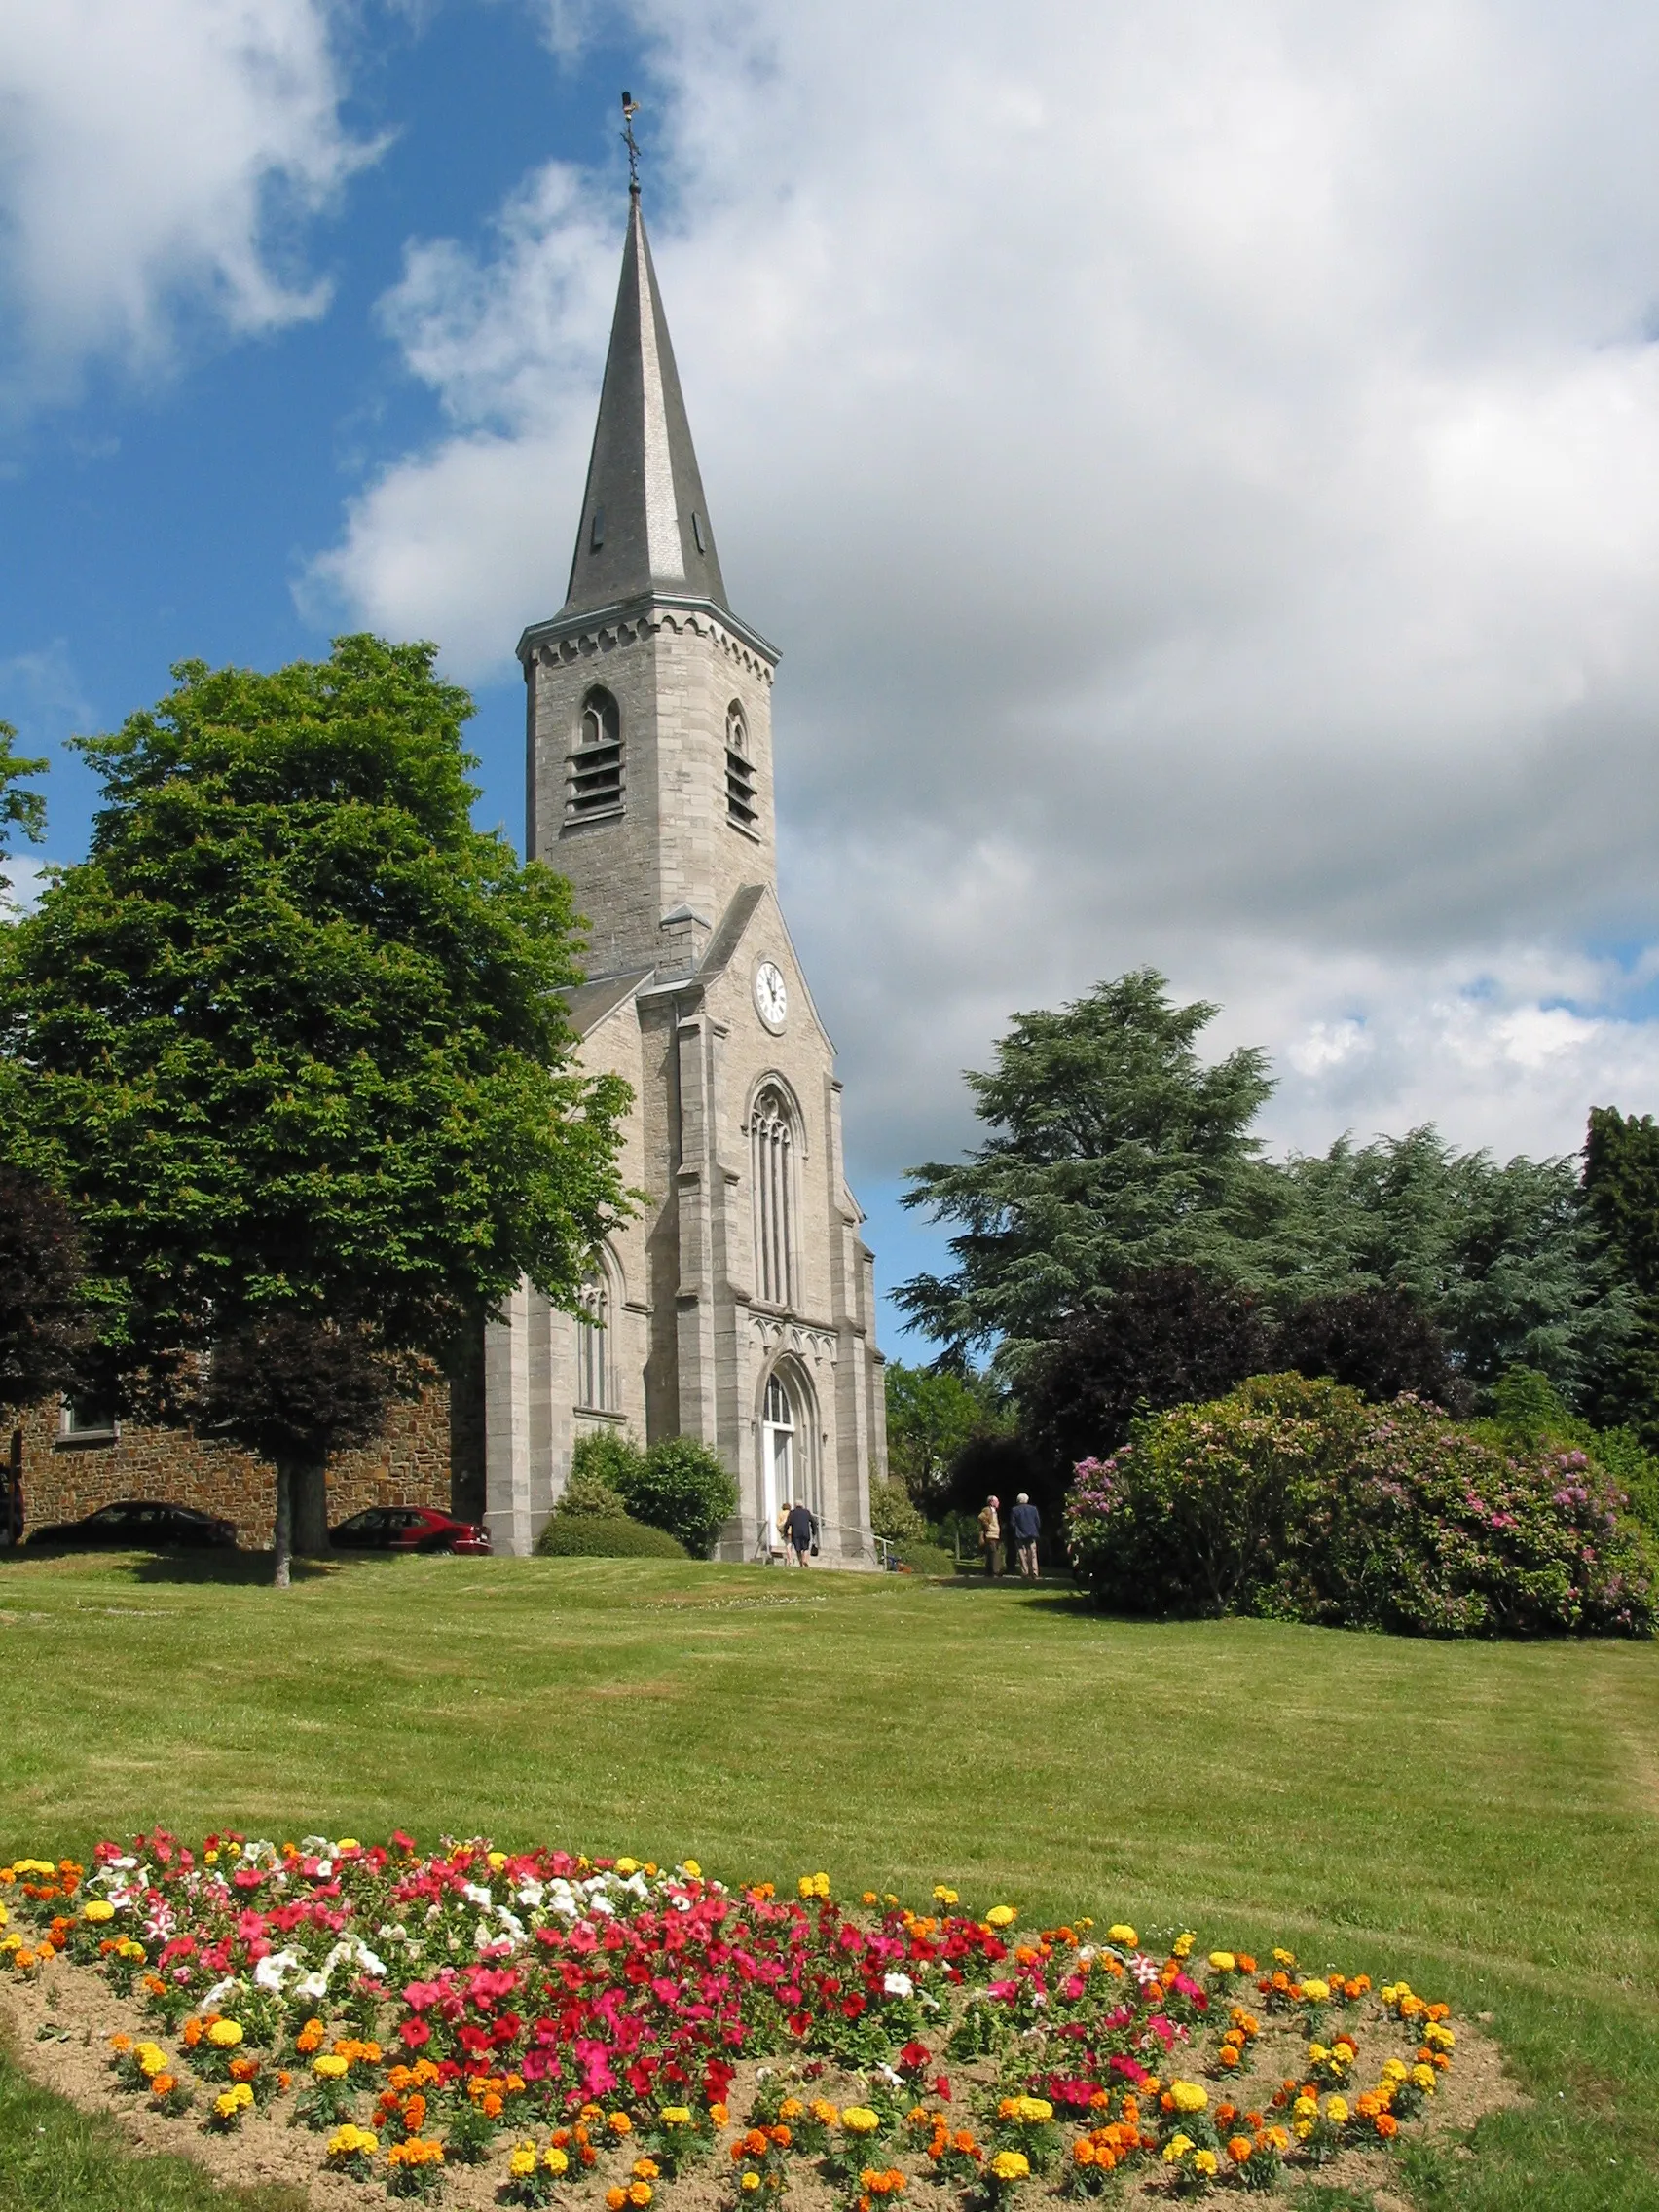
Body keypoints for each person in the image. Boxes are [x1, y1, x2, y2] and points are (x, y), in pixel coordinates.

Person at [1010, 1492, 1042, 1580]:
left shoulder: (1014, 1510)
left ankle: (1025, 1572)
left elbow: (1012, 1523)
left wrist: (1016, 1530)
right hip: (1032, 1534)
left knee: (1022, 1554)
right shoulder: (1033, 1509)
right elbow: (1037, 1522)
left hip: (1019, 1535)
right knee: (1033, 1554)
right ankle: (1034, 1572)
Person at [784, 1498, 815, 1567]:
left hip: (796, 1533)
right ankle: (805, 1560)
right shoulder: (807, 1512)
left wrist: (785, 1532)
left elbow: (787, 1523)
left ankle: (801, 1563)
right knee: (805, 1548)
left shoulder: (792, 1513)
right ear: (802, 1505)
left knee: (798, 1549)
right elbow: (813, 1521)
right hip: (805, 1532)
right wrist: (814, 1531)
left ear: (795, 1505)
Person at [977, 1494, 1002, 1577]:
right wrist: (987, 1526)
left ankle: (989, 1572)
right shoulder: (988, 1510)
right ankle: (994, 1572)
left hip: (995, 1535)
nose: (998, 1503)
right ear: (991, 1502)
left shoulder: (994, 1511)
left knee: (991, 1553)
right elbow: (981, 1517)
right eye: (996, 1501)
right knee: (994, 1553)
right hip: (991, 1535)